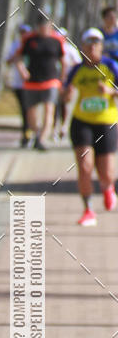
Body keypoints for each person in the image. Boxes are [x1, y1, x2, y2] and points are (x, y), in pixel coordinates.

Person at [62, 27, 118, 226]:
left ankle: (108, 187)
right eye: (89, 43)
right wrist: (67, 94)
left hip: (106, 122)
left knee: (106, 173)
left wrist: (110, 91)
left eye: (96, 43)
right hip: (82, 122)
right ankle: (88, 210)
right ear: (82, 47)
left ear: (102, 46)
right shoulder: (77, 70)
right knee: (85, 168)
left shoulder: (111, 66)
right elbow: (66, 93)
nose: (93, 47)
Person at [13, 14, 65, 150]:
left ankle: (41, 140)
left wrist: (62, 80)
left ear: (51, 25)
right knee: (31, 114)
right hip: (32, 82)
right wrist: (22, 71)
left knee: (49, 110)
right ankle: (36, 134)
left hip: (51, 81)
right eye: (41, 25)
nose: (44, 28)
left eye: (47, 25)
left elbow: (63, 61)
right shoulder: (29, 39)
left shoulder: (57, 40)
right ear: (37, 26)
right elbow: (18, 58)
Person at [5, 23, 31, 147]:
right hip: (18, 83)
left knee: (30, 110)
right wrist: (16, 56)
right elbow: (8, 61)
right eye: (21, 32)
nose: (23, 35)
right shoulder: (15, 45)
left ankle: (30, 133)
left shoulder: (33, 44)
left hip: (33, 83)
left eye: (25, 32)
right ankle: (26, 134)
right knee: (24, 110)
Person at [54, 27, 81, 142]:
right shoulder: (53, 48)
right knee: (54, 105)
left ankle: (64, 128)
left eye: (62, 36)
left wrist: (71, 81)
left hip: (67, 81)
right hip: (54, 80)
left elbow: (78, 63)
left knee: (64, 105)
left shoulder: (70, 49)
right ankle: (54, 129)